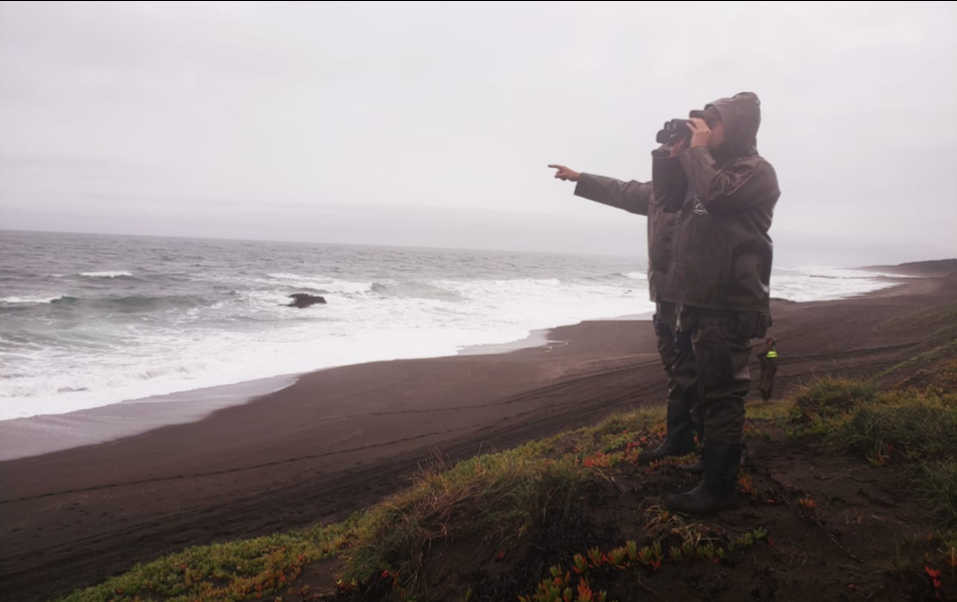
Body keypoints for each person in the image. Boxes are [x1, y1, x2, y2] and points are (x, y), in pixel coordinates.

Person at [662, 92, 780, 516]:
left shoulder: (756, 172)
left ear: (740, 128)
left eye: (715, 122)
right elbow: (669, 200)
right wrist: (676, 153)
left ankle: (719, 487)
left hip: (729, 300)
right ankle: (714, 462)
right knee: (702, 391)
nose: (706, 130)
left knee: (723, 394)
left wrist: (697, 152)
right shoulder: (708, 167)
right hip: (698, 297)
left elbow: (717, 197)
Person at [549, 142, 701, 466]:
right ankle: (680, 437)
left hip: (695, 297)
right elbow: (621, 191)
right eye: (663, 147)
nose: (666, 152)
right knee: (675, 369)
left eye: (674, 147)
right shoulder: (657, 194)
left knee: (701, 373)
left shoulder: (705, 191)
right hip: (663, 296)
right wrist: (580, 178)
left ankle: (721, 448)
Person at [758, 337, 779, 401]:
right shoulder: (768, 349)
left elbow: (773, 359)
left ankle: (766, 399)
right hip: (768, 369)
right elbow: (760, 355)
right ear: (769, 342)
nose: (774, 342)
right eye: (773, 341)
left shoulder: (772, 349)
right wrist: (767, 362)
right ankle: (764, 397)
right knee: (766, 384)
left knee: (769, 383)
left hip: (771, 368)